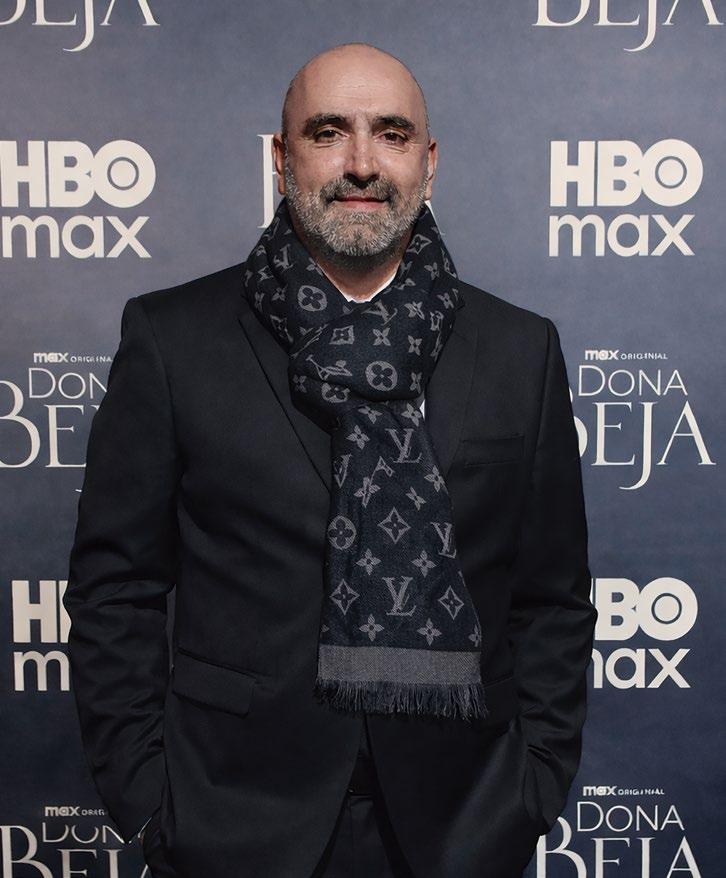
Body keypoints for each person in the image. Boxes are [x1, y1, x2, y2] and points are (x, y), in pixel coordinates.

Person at [64, 42, 597, 878]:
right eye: (327, 132)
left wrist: (531, 789)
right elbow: (116, 588)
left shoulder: (520, 351)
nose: (361, 164)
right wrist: (149, 800)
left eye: (391, 134)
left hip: (463, 822)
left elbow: (552, 596)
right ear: (281, 159)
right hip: (231, 821)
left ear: (428, 162)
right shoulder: (173, 340)